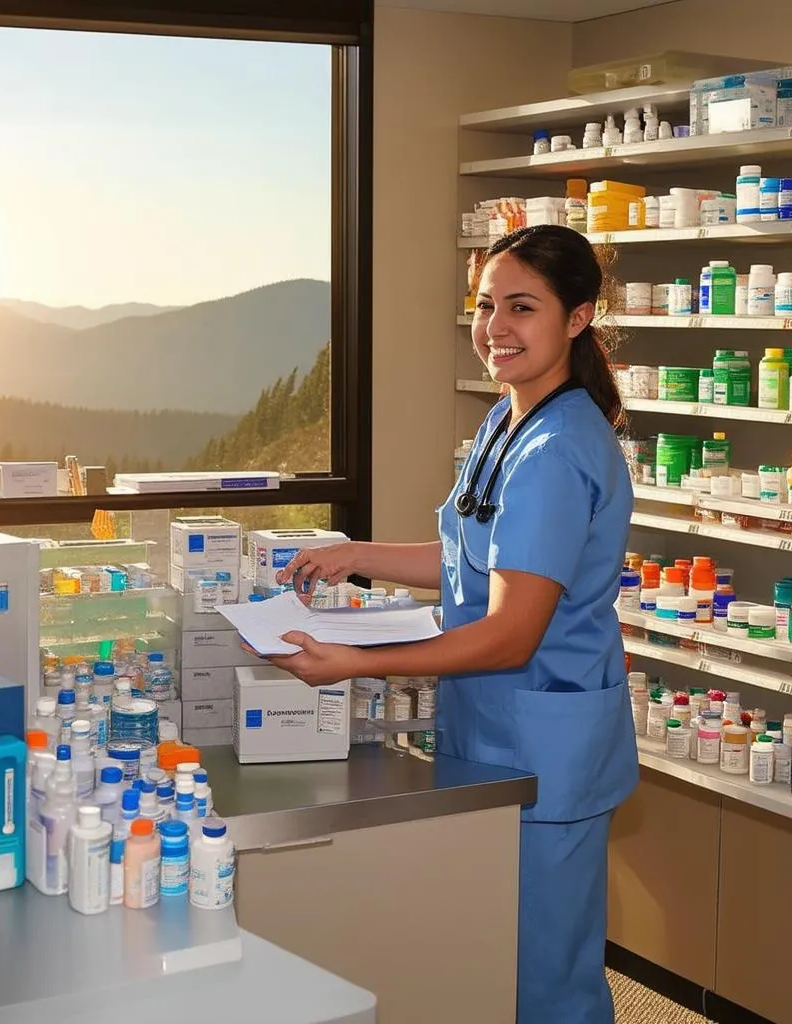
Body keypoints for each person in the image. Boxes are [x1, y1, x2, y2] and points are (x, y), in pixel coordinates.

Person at [265, 224, 638, 1024]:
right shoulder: (511, 423)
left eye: (522, 307)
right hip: (498, 731)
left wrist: (354, 662)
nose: (495, 327)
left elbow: (510, 632)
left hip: (545, 748)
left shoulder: (557, 451)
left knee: (545, 979)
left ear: (577, 318)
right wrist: (354, 553)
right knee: (489, 956)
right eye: (484, 305)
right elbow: (470, 562)